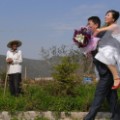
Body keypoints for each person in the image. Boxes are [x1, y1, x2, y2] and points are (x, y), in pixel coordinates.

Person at [84, 13, 120, 120]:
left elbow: (107, 55)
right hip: (104, 72)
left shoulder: (102, 35)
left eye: (89, 24)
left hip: (107, 74)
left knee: (98, 97)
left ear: (96, 25)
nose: (88, 26)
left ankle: (88, 118)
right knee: (112, 98)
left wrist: (115, 76)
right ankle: (117, 117)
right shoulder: (94, 37)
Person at [94, 10, 120, 89]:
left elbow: (98, 31)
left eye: (108, 15)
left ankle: (116, 78)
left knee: (103, 55)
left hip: (115, 50)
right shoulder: (107, 29)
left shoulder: (115, 26)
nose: (105, 16)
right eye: (106, 15)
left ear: (113, 19)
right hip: (113, 50)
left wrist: (91, 37)